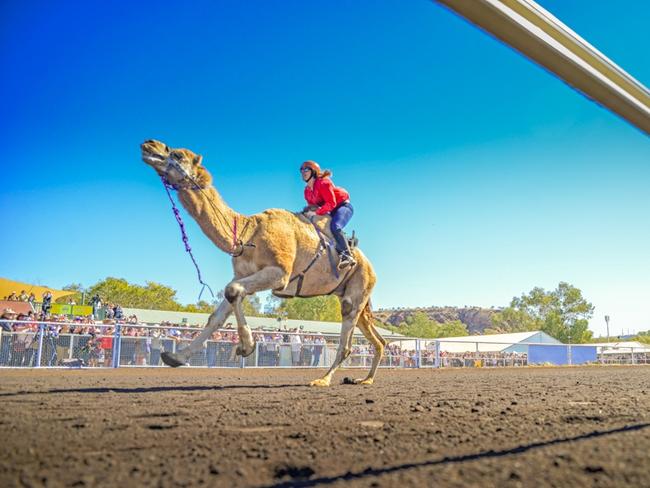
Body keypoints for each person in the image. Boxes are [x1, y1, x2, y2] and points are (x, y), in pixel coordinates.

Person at [300, 160, 356, 269]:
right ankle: (344, 243)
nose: (303, 172)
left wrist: (315, 212)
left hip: (343, 207)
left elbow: (331, 203)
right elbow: (313, 208)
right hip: (329, 211)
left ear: (313, 171)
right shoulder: (306, 191)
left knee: (335, 226)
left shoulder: (323, 182)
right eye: (301, 170)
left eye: (306, 169)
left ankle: (347, 255)